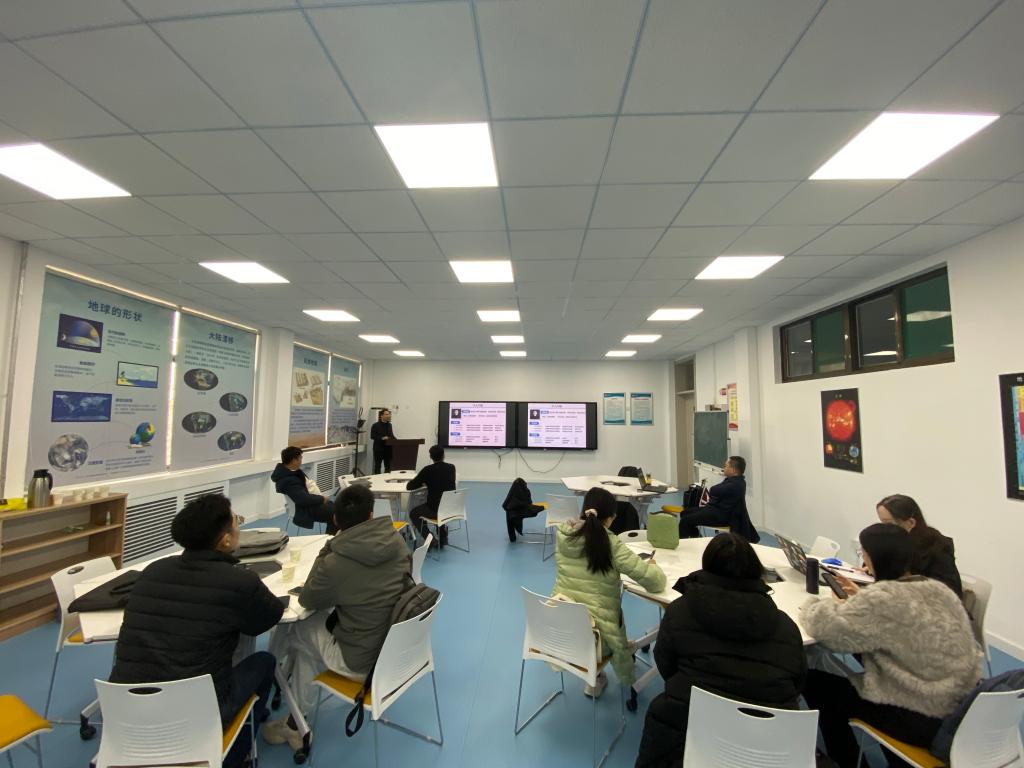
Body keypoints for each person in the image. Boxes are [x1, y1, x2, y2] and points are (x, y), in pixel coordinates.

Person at [110, 494, 283, 767]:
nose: (239, 526)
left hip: (126, 711)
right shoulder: (240, 581)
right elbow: (268, 618)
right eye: (236, 522)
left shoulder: (152, 571)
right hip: (196, 713)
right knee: (264, 661)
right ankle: (235, 755)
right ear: (225, 540)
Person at [801, 523, 982, 768]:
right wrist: (863, 597)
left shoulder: (882, 599)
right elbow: (903, 619)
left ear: (873, 558)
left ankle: (846, 761)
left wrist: (819, 604)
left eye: (863, 553)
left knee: (815, 684)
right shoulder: (940, 590)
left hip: (916, 714)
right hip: (958, 708)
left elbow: (825, 629)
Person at [635, 532, 806, 767]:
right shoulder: (786, 628)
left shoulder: (680, 611)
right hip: (768, 747)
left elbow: (666, 663)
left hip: (687, 732)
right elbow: (797, 682)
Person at [262, 484, 410, 749]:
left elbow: (308, 599)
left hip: (361, 662)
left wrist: (330, 546)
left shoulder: (336, 562)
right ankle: (292, 715)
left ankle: (279, 685)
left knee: (301, 627)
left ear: (335, 520)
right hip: (395, 651)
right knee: (309, 641)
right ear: (371, 514)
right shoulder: (396, 541)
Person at [552, 486, 667, 697]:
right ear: (610, 518)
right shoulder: (610, 543)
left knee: (589, 608)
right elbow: (654, 582)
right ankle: (604, 664)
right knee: (609, 616)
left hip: (561, 629)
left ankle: (595, 679)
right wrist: (654, 566)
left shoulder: (563, 536)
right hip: (597, 638)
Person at [876, 494, 962, 597]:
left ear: (911, 523)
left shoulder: (936, 547)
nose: (883, 529)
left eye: (888, 524)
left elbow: (947, 591)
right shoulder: (894, 540)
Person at [677, 456, 759, 543]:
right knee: (685, 513)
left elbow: (714, 490)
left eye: (726, 466)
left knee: (685, 520)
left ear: (733, 470)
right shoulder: (735, 480)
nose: (724, 468)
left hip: (722, 516)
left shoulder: (737, 484)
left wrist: (714, 493)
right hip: (715, 510)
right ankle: (696, 538)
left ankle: (683, 544)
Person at [271, 446, 336, 534]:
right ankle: (334, 540)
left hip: (309, 504)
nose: (301, 461)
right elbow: (303, 499)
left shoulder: (291, 473)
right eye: (300, 458)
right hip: (304, 510)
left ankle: (333, 537)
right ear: (294, 460)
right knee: (338, 514)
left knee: (338, 510)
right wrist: (321, 499)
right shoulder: (289, 480)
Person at [406, 444, 456, 546]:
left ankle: (430, 539)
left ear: (430, 457)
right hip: (450, 508)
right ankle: (443, 536)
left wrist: (424, 482)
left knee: (414, 513)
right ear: (443, 455)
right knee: (440, 501)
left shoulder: (427, 470)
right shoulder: (451, 467)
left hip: (434, 510)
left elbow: (410, 486)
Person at [502, 476, 545, 543]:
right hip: (521, 512)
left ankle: (512, 538)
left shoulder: (511, 494)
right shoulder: (526, 491)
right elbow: (529, 503)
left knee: (509, 514)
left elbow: (505, 504)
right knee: (536, 508)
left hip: (512, 514)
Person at [370, 408, 395, 474]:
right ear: (381, 415)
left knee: (388, 467)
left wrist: (398, 442)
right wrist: (382, 438)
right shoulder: (375, 425)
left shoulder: (389, 425)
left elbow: (391, 435)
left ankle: (387, 479)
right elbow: (372, 436)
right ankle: (377, 479)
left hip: (388, 449)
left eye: (389, 414)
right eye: (386, 414)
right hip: (378, 449)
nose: (388, 416)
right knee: (378, 466)